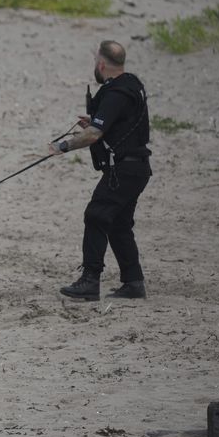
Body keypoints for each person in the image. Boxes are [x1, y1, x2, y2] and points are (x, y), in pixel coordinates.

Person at [48, 41, 151, 301]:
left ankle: (90, 280)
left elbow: (93, 135)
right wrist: (94, 121)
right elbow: (116, 124)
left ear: (102, 64)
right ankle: (134, 283)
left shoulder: (116, 92)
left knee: (96, 215)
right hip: (136, 168)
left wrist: (63, 145)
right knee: (118, 224)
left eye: (95, 61)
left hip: (124, 170)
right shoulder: (132, 85)